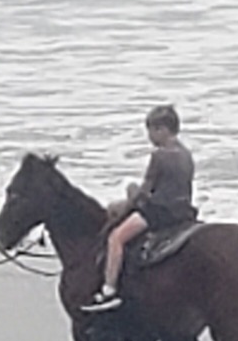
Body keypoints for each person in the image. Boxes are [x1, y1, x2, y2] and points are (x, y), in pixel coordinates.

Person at [82, 104, 197, 312]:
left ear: (162, 129)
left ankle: (109, 289)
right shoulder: (186, 154)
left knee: (116, 238)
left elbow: (145, 192)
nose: (150, 136)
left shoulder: (160, 155)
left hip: (160, 212)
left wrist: (130, 191)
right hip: (183, 210)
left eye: (151, 130)